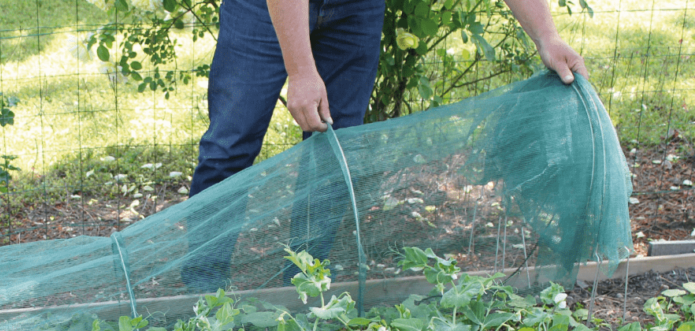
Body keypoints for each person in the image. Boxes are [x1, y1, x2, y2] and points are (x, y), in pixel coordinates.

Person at [181, 0, 589, 292]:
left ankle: (304, 291)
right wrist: (301, 70)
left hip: (357, 10)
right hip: (262, 9)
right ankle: (200, 293)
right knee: (231, 144)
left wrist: (547, 36)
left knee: (333, 150)